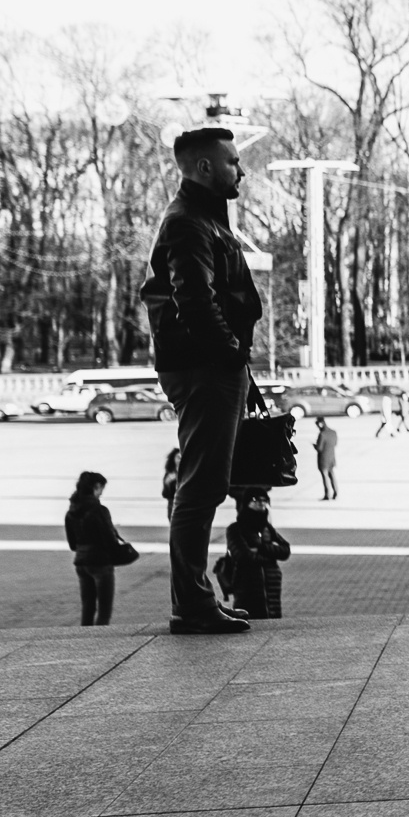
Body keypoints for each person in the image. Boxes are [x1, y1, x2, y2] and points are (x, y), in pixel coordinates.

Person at [140, 124, 260, 634]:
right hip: (205, 367)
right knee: (200, 487)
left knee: (205, 484)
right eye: (233, 161)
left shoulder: (203, 218)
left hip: (210, 365)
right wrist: (230, 354)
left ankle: (194, 600)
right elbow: (195, 300)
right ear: (206, 167)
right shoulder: (189, 222)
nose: (241, 170)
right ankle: (191, 605)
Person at [65, 472, 133, 626]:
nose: (102, 493)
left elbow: (72, 544)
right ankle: (99, 639)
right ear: (96, 487)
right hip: (100, 562)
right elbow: (109, 540)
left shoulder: (71, 512)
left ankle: (84, 638)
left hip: (81, 563)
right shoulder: (99, 510)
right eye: (102, 488)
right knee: (104, 611)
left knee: (87, 608)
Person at [221, 493, 292, 619]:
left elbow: (285, 550)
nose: (261, 503)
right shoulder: (236, 528)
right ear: (247, 503)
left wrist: (261, 549)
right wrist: (271, 555)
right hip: (247, 583)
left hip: (272, 584)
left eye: (265, 500)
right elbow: (243, 556)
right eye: (256, 499)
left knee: (272, 621)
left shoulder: (266, 528)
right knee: (248, 619)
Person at [313, 416, 339, 501]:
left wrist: (314, 445)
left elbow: (319, 448)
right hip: (332, 458)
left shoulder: (322, 434)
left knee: (325, 477)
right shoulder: (333, 432)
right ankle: (336, 492)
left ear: (320, 424)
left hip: (323, 459)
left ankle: (327, 494)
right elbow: (335, 443)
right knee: (332, 475)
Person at [161, 447, 181, 522]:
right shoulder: (169, 474)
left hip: (184, 505)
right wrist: (167, 484)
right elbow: (165, 494)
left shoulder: (187, 473)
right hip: (172, 505)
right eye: (178, 457)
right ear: (173, 459)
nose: (180, 460)